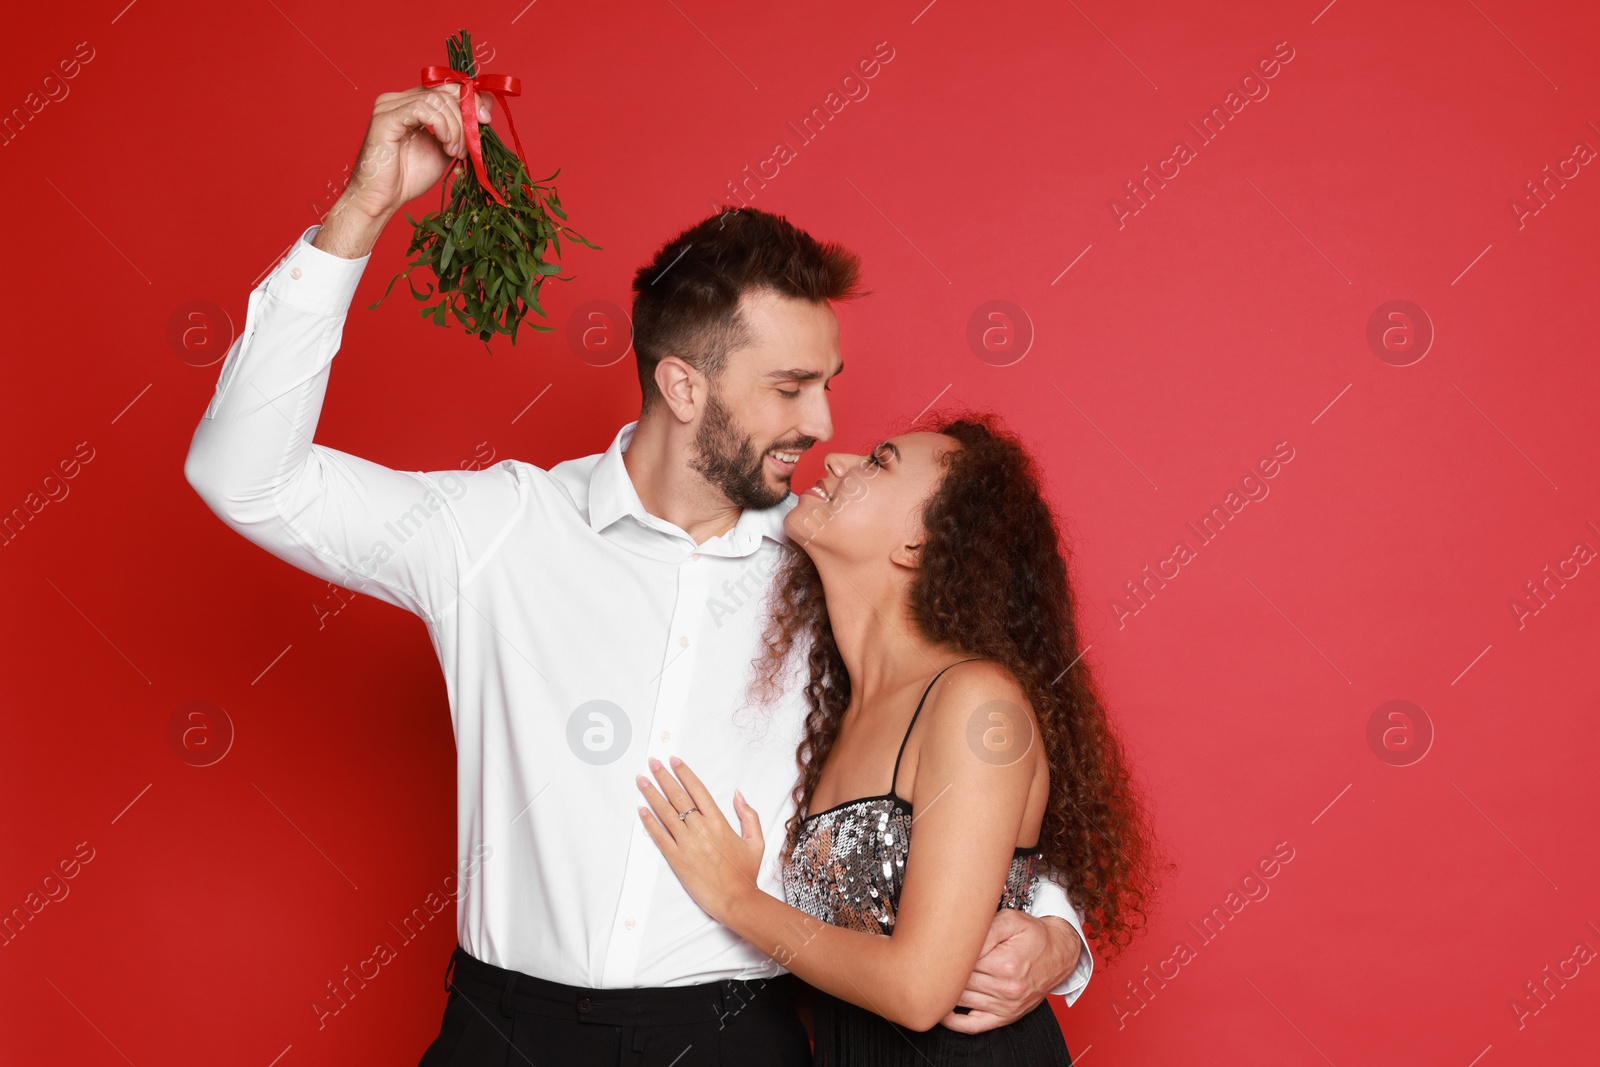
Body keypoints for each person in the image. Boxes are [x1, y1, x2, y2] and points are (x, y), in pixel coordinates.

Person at [182, 78, 1094, 1066]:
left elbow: (958, 771)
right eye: (790, 387)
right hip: (503, 1033)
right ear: (683, 383)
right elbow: (243, 475)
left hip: (737, 1037)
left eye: (827, 384)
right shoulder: (499, 526)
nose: (825, 425)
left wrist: (1055, 936)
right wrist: (360, 209)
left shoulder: (835, 565)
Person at [638, 418, 1159, 1064]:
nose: (836, 460)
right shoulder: (833, 705)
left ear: (919, 545)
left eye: (879, 463)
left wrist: (737, 899)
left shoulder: (976, 702)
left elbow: (918, 990)